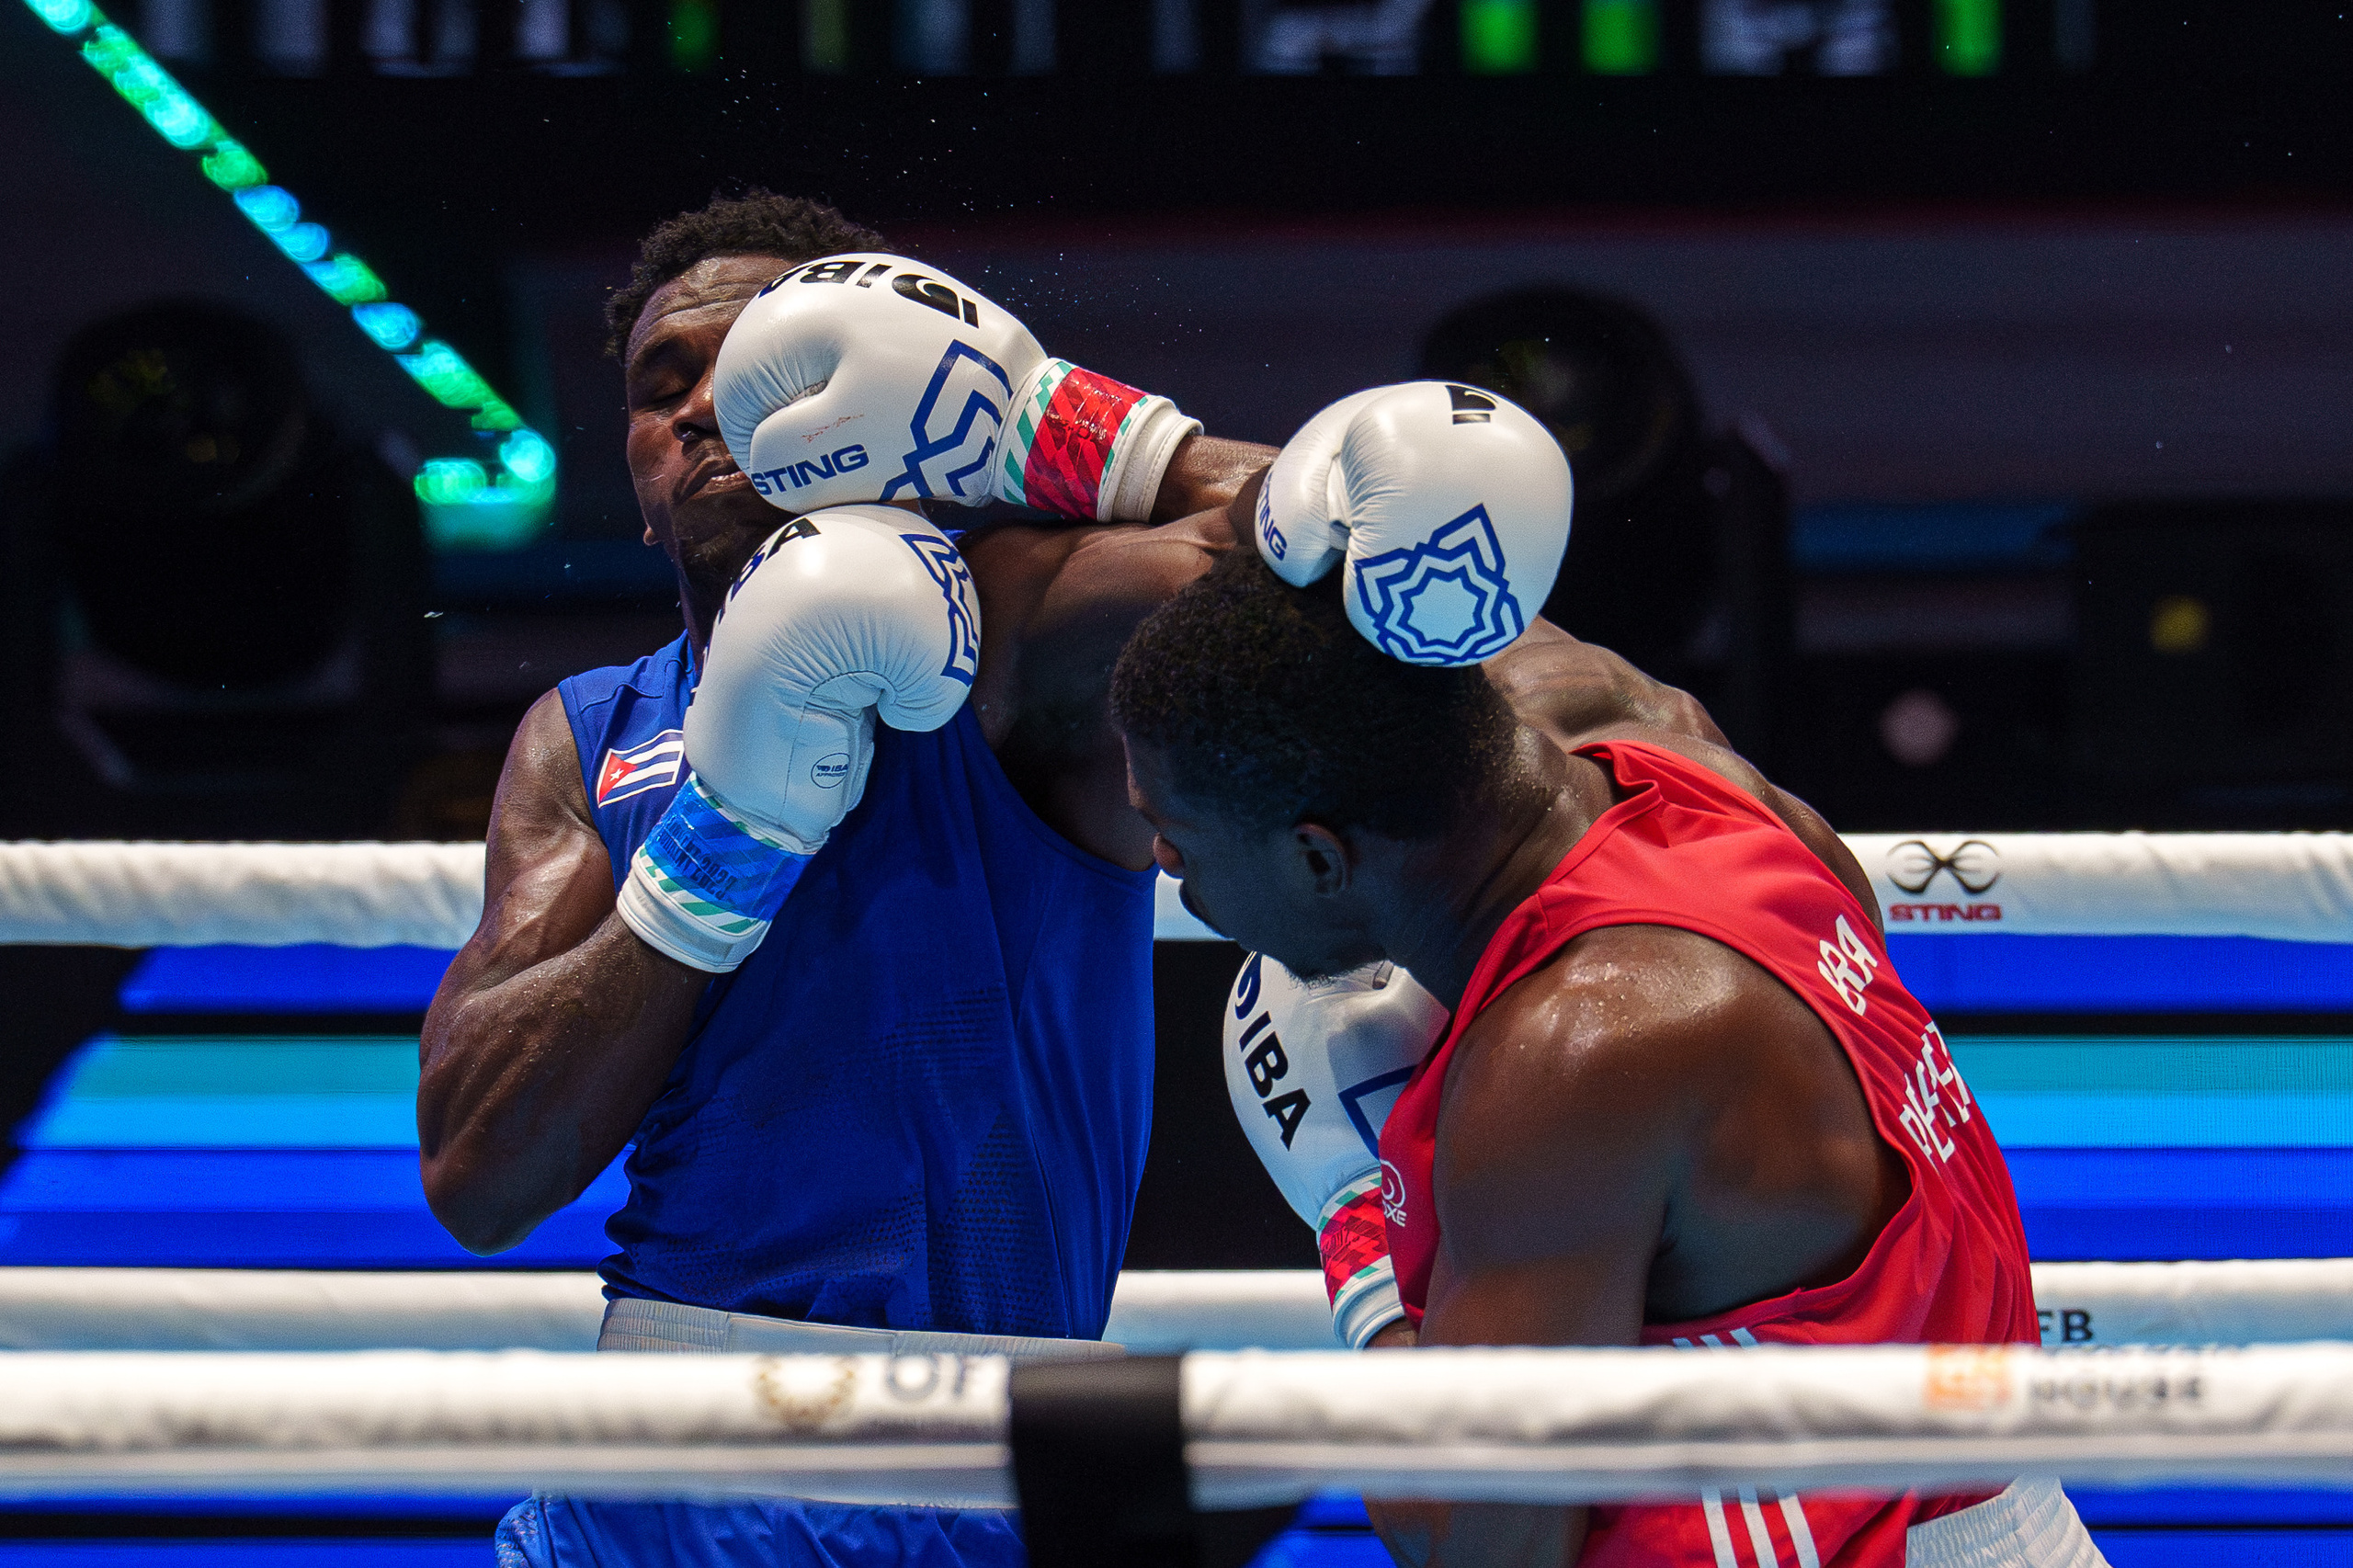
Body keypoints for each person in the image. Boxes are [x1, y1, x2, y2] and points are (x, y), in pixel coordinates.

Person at [1111, 384, 2102, 1567]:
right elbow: (1398, 543)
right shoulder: (1660, 749)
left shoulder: (1578, 1052)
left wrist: (1355, 1226)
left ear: (1318, 854)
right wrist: (1063, 425)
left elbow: (1477, 1543)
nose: (1168, 869)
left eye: (1176, 831)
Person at [420, 192, 1267, 1568]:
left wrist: (1057, 424)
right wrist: (723, 843)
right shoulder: (592, 733)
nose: (700, 407)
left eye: (757, 357)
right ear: (630, 472)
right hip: (650, 1457)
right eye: (659, 386)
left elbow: (1361, 569)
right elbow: (475, 1173)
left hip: (976, 1463)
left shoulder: (1025, 633)